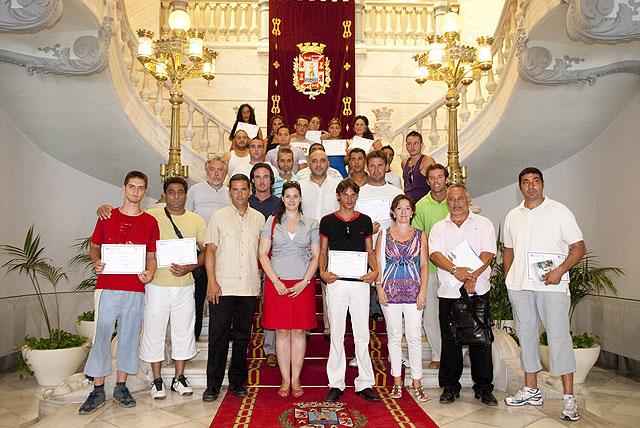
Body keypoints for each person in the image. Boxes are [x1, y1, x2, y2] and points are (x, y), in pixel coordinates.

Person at [95, 177, 206, 399]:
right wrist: (103, 208)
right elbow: (129, 222)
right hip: (155, 285)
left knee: (183, 332)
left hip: (184, 285)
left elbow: (206, 252)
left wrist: (190, 266)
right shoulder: (151, 216)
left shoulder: (197, 221)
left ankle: (179, 378)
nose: (176, 196)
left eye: (180, 192)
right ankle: (156, 380)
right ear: (165, 195)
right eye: (171, 192)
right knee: (153, 332)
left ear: (186, 195)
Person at [503, 167, 586, 421]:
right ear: (520, 187)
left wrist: (560, 271)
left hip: (552, 287)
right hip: (521, 288)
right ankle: (531, 390)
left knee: (559, 338)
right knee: (526, 337)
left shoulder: (559, 211)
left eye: (535, 181)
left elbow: (579, 247)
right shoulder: (512, 216)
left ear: (543, 184)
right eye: (525, 182)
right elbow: (508, 250)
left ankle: (568, 398)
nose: (530, 186)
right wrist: (509, 279)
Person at [79, 171, 159, 415]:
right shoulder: (107, 216)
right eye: (132, 186)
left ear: (145, 192)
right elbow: (94, 248)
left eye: (140, 187)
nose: (135, 191)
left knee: (128, 336)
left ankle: (121, 386)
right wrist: (97, 261)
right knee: (102, 334)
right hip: (108, 285)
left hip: (135, 288)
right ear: (124, 188)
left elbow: (151, 256)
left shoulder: (150, 222)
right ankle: (98, 388)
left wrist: (150, 273)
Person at [428, 184, 497, 406]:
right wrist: (455, 271)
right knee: (450, 341)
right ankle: (450, 386)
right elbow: (435, 254)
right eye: (451, 199)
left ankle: (484, 387)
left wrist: (471, 276)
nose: (456, 203)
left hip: (478, 290)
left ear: (468, 199)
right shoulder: (439, 227)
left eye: (460, 198)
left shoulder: (483, 223)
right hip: (448, 292)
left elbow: (488, 253)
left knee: (480, 340)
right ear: (446, 203)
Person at [202, 174, 266, 402]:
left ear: (250, 191)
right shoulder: (218, 217)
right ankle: (212, 385)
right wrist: (211, 281)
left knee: (242, 338)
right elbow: (210, 251)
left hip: (248, 287)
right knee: (217, 337)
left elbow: (263, 253)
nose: (239, 194)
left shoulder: (259, 219)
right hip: (222, 287)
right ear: (229, 192)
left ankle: (237, 382)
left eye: (243, 189)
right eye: (235, 190)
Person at [320, 178, 381, 403]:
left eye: (352, 195)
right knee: (336, 333)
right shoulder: (327, 221)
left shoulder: (365, 221)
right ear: (338, 196)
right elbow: (323, 252)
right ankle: (336, 383)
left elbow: (370, 250)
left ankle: (364, 383)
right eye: (344, 195)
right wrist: (323, 272)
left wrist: (375, 272)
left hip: (359, 282)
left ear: (357, 197)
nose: (348, 199)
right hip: (335, 282)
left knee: (361, 334)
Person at [258, 181, 320, 398]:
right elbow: (263, 254)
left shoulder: (312, 223)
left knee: (299, 332)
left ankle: (296, 378)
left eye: (295, 196)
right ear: (282, 199)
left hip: (302, 284)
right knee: (282, 332)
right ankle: (285, 379)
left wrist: (305, 280)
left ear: (300, 198)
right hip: (278, 284)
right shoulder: (272, 222)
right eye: (288, 196)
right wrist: (275, 281)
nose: (292, 200)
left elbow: (316, 256)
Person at [375, 194, 429, 402]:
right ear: (393, 212)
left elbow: (424, 264)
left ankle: (417, 381)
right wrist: (379, 287)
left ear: (412, 212)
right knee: (395, 336)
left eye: (407, 208)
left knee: (414, 337)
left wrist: (423, 290)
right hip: (390, 291)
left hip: (414, 291)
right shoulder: (384, 234)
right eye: (400, 208)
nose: (404, 212)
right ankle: (397, 380)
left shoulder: (420, 235)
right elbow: (379, 263)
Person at [185, 156, 231, 341]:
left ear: (225, 173)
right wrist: (198, 242)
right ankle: (194, 334)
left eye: (220, 170)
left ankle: (222, 335)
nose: (216, 173)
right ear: (206, 171)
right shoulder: (195, 190)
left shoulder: (230, 193)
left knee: (223, 297)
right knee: (197, 295)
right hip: (199, 251)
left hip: (223, 253)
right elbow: (187, 218)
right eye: (212, 169)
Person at [411, 163, 450, 369]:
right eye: (432, 178)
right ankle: (437, 353)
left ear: (446, 179)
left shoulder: (455, 202)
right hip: (432, 270)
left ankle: (453, 352)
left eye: (440, 177)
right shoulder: (421, 206)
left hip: (455, 271)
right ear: (427, 182)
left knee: (453, 314)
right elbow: (418, 238)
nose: (436, 181)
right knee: (432, 315)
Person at [357, 150, 402, 322]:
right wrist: (367, 231)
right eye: (372, 166)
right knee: (362, 298)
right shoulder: (359, 193)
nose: (376, 170)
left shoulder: (396, 192)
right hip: (365, 249)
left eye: (380, 165)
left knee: (390, 303)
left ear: (387, 167)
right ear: (367, 168)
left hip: (390, 252)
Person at [299, 150, 340, 339]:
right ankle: (303, 325)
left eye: (322, 161)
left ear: (328, 164)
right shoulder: (300, 185)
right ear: (308, 163)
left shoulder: (337, 185)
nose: (318, 164)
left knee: (329, 282)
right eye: (314, 161)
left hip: (330, 240)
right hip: (304, 240)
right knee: (304, 283)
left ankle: (331, 327)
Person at [246, 163, 280, 368]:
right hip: (246, 262)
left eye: (265, 177)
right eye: (257, 177)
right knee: (245, 308)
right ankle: (242, 348)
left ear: (271, 180)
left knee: (270, 307)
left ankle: (271, 349)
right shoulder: (244, 202)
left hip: (272, 262)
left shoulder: (279, 204)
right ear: (252, 180)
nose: (261, 181)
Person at [401, 131, 435, 203]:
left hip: (424, 203)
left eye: (416, 143)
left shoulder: (427, 161)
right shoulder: (404, 162)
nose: (412, 147)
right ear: (406, 146)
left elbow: (435, 183)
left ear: (421, 145)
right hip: (409, 204)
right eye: (409, 144)